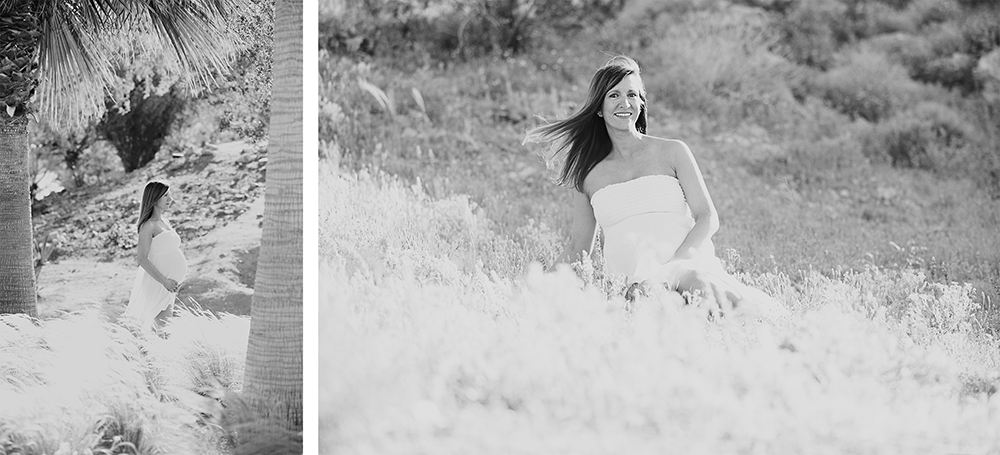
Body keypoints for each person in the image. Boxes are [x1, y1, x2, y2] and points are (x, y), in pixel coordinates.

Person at [524, 55, 776, 316]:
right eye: (614, 95)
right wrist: (535, 289)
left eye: (632, 94)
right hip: (635, 289)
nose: (625, 103)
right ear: (598, 107)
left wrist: (668, 271)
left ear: (641, 103)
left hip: (685, 268)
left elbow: (707, 217)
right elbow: (579, 249)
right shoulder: (587, 176)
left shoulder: (673, 151)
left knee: (707, 290)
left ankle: (762, 324)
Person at [121, 180, 188, 329]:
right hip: (158, 283)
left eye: (169, 195)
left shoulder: (165, 221)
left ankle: (149, 352)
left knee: (160, 329)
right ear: (154, 198)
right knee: (163, 330)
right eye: (165, 196)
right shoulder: (148, 226)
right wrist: (164, 281)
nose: (170, 199)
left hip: (168, 286)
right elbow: (142, 259)